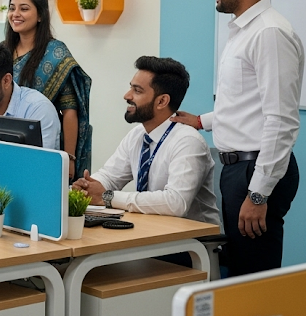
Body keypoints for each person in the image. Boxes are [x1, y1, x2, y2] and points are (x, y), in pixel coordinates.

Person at [172, 0, 303, 276]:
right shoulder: (245, 31)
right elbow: (248, 103)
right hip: (240, 169)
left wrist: (258, 195)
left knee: (253, 276)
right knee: (239, 270)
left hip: (256, 171)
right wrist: (202, 121)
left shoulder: (269, 33)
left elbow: (280, 120)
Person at [72, 56, 219, 225]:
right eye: (131, 88)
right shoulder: (137, 135)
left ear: (162, 101)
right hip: (152, 230)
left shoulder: (188, 141)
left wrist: (108, 197)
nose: (127, 96)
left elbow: (176, 203)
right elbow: (110, 176)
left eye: (137, 91)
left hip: (192, 238)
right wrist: (88, 186)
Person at [4, 0, 92, 179]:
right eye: (12, 8)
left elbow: (70, 110)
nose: (15, 14)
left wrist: (68, 158)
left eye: (24, 9)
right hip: (4, 138)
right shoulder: (2, 51)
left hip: (43, 141)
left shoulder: (55, 53)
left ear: (40, 15)